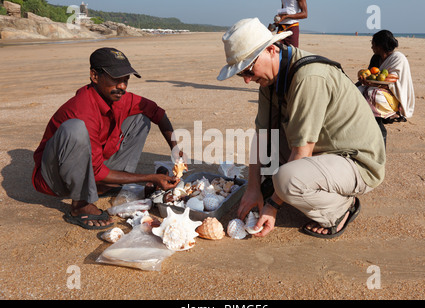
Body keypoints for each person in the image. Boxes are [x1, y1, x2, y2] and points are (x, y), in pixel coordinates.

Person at [217, 18, 386, 239]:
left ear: (270, 49)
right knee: (267, 160)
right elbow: (262, 135)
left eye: (248, 69)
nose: (248, 80)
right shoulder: (270, 79)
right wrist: (252, 188)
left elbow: (302, 151)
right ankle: (295, 187)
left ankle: (340, 208)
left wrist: (272, 206)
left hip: (357, 162)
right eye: (242, 74)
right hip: (325, 152)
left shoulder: (309, 77)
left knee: (286, 180)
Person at [32, 48, 181, 230]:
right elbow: (95, 170)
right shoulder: (82, 109)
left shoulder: (118, 98)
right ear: (94, 76)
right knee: (76, 128)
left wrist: (176, 152)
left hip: (93, 167)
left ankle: (107, 185)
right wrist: (150, 178)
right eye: (116, 79)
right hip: (55, 178)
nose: (123, 86)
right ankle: (80, 204)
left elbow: (157, 113)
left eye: (126, 80)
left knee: (141, 118)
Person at [357, 30, 415, 143]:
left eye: (373, 44)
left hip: (393, 95)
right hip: (376, 88)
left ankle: (392, 113)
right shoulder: (375, 58)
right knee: (358, 91)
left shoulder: (398, 58)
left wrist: (373, 84)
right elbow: (370, 75)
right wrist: (361, 82)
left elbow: (395, 83)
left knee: (372, 94)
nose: (371, 47)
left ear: (380, 45)